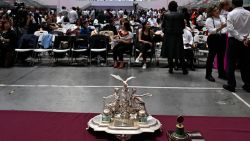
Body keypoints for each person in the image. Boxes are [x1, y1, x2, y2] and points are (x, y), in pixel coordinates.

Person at [223, 0, 250, 93]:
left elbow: (230, 29)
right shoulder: (249, 13)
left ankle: (231, 84)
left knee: (231, 63)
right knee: (245, 63)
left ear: (233, 4)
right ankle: (248, 84)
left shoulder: (231, 14)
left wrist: (241, 38)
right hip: (246, 42)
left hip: (234, 41)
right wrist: (247, 38)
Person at [161, 1, 188, 74]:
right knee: (180, 53)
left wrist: (165, 31)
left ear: (169, 6)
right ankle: (184, 69)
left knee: (170, 53)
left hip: (168, 36)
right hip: (178, 36)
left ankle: (170, 68)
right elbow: (183, 26)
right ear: (176, 6)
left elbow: (163, 25)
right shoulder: (180, 15)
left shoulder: (166, 15)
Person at [205, 5, 227, 82]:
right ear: (211, 12)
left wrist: (223, 27)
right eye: (215, 10)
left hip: (222, 37)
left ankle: (221, 74)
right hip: (213, 38)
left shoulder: (222, 17)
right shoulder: (209, 19)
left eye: (217, 9)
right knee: (211, 57)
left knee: (221, 56)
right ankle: (208, 74)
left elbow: (226, 26)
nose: (217, 11)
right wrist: (221, 27)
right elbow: (211, 31)